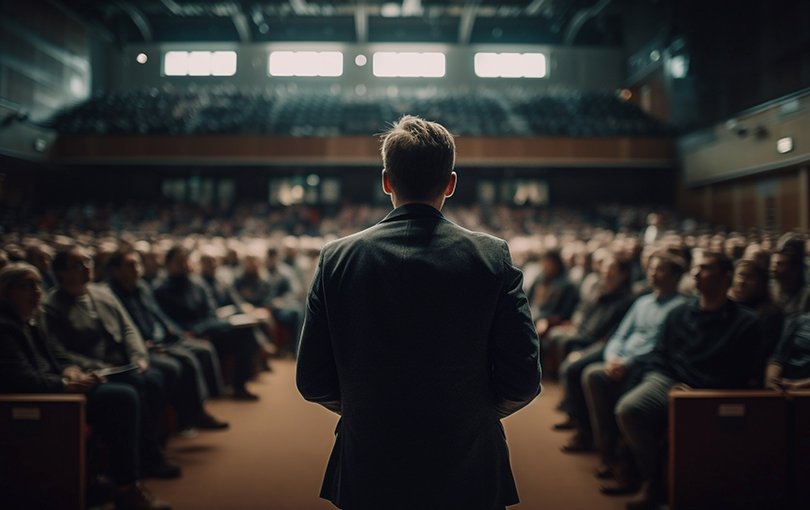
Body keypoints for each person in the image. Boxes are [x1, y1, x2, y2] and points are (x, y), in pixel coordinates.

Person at [296, 116, 542, 510]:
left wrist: (373, 406)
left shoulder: (337, 258)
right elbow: (523, 379)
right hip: (467, 459)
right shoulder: (491, 256)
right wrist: (469, 411)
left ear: (386, 180)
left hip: (370, 459)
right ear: (451, 183)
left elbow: (312, 380)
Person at [0, 262, 171, 510]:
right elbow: (21, 381)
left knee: (130, 387)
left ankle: (103, 478)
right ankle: (126, 488)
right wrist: (66, 384)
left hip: (55, 392)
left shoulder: (30, 318)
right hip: (36, 404)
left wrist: (71, 371)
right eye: (27, 286)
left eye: (38, 283)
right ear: (5, 292)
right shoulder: (5, 327)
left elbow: (57, 356)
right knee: (122, 397)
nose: (38, 291)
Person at [614, 252, 762, 509]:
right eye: (695, 268)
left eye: (704, 268)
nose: (695, 273)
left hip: (712, 392)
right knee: (629, 409)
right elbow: (659, 355)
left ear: (726, 277)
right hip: (670, 381)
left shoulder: (746, 322)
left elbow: (741, 373)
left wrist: (696, 391)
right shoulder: (679, 313)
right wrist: (669, 383)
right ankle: (653, 480)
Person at [44, 247, 181, 479]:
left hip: (124, 362)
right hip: (96, 369)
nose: (86, 268)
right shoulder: (52, 305)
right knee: (137, 384)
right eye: (77, 265)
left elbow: (129, 329)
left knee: (157, 377)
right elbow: (59, 352)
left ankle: (151, 446)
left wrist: (139, 356)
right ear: (60, 273)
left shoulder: (103, 292)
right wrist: (100, 367)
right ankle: (148, 457)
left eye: (87, 262)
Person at [581, 251, 687, 494]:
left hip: (644, 364)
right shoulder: (643, 302)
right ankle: (607, 452)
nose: (651, 273)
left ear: (675, 276)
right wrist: (613, 358)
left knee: (627, 401)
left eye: (659, 269)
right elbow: (619, 335)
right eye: (650, 268)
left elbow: (657, 346)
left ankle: (628, 465)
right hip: (621, 361)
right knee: (593, 374)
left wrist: (626, 363)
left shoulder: (678, 307)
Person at [106, 248, 228, 431]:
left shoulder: (142, 288)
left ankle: (196, 411)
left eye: (137, 264)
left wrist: (176, 332)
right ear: (115, 270)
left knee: (203, 349)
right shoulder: (111, 294)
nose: (136, 269)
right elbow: (124, 329)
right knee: (185, 361)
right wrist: (147, 346)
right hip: (143, 346)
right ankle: (189, 417)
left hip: (161, 339)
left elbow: (159, 316)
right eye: (130, 265)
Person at [153, 246, 260, 400]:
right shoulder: (161, 290)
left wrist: (201, 331)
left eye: (185, 260)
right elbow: (165, 320)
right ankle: (213, 395)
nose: (184, 264)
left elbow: (211, 312)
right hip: (184, 335)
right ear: (168, 264)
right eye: (178, 261)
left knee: (245, 332)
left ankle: (239, 386)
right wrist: (189, 334)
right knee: (205, 346)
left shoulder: (197, 284)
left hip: (206, 330)